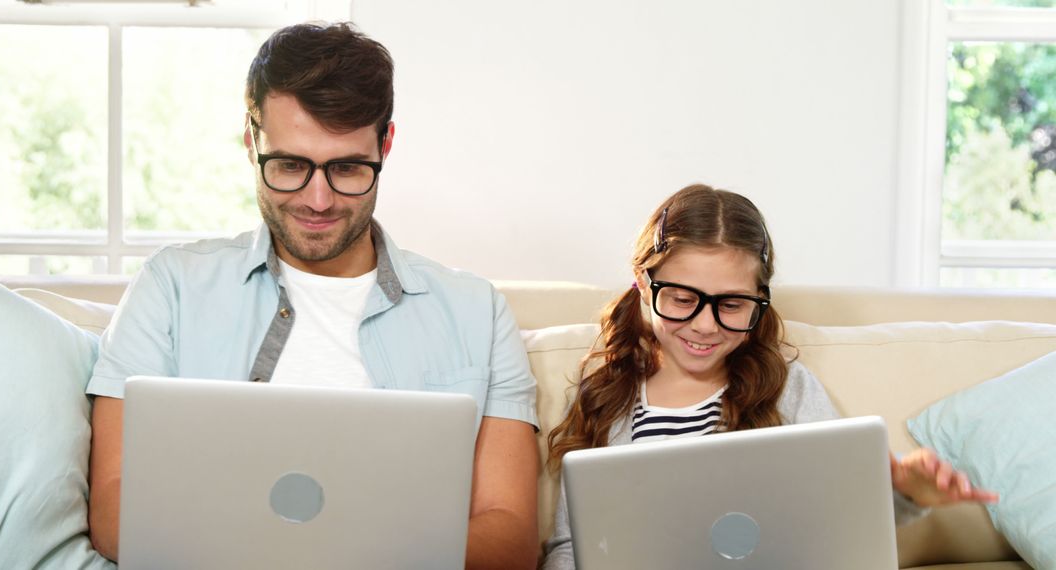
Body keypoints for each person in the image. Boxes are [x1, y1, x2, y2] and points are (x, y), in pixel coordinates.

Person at [86, 22, 540, 569]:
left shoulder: (476, 312)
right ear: (251, 141)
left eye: (348, 167)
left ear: (386, 145)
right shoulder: (172, 287)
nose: (318, 200)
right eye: (290, 166)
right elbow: (114, 513)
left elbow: (511, 540)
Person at [541, 184, 998, 568]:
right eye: (682, 299)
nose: (705, 324)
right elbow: (569, 546)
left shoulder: (790, 391)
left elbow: (844, 519)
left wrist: (903, 491)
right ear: (644, 283)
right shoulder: (604, 396)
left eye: (732, 304)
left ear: (761, 299)